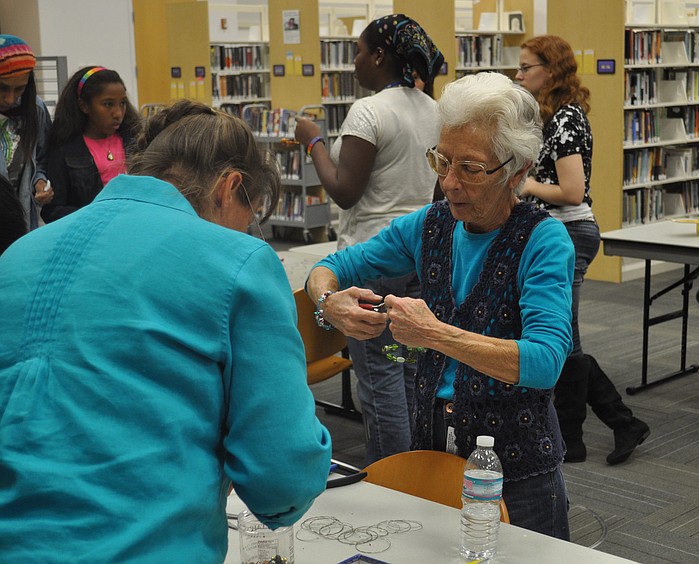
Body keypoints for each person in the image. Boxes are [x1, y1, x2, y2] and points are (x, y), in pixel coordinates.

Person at [0, 100, 332, 560]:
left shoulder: (18, 254)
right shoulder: (238, 262)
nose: (247, 231)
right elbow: (282, 480)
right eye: (250, 215)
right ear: (229, 187)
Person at [306, 72, 574, 540]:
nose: (449, 182)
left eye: (470, 168)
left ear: (518, 169)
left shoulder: (543, 240)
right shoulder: (430, 225)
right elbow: (331, 266)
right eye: (442, 160)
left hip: (517, 467)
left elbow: (545, 361)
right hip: (432, 448)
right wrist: (329, 303)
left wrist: (434, 335)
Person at [295, 14, 444, 465]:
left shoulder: (369, 110)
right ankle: (419, 471)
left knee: (379, 383)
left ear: (379, 56)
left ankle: (393, 484)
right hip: (418, 254)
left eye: (358, 51)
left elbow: (344, 190)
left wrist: (313, 142)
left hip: (370, 261)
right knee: (411, 373)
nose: (355, 61)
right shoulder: (433, 109)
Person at [516, 34, 649, 464]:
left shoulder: (565, 119)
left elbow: (572, 191)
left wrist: (524, 185)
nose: (518, 75)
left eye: (526, 68)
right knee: (564, 336)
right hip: (552, 234)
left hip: (569, 234)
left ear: (550, 70)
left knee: (566, 340)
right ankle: (601, 428)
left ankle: (584, 434)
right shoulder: (547, 116)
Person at [41, 65, 141, 223]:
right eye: (108, 104)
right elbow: (52, 210)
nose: (118, 113)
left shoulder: (135, 140)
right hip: (91, 234)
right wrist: (95, 214)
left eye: (122, 103)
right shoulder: (64, 149)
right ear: (84, 106)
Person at [0, 34, 52, 230]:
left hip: (20, 220)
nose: (9, 99)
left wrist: (40, 182)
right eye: (2, 88)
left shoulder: (35, 110)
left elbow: (43, 158)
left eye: (19, 89)